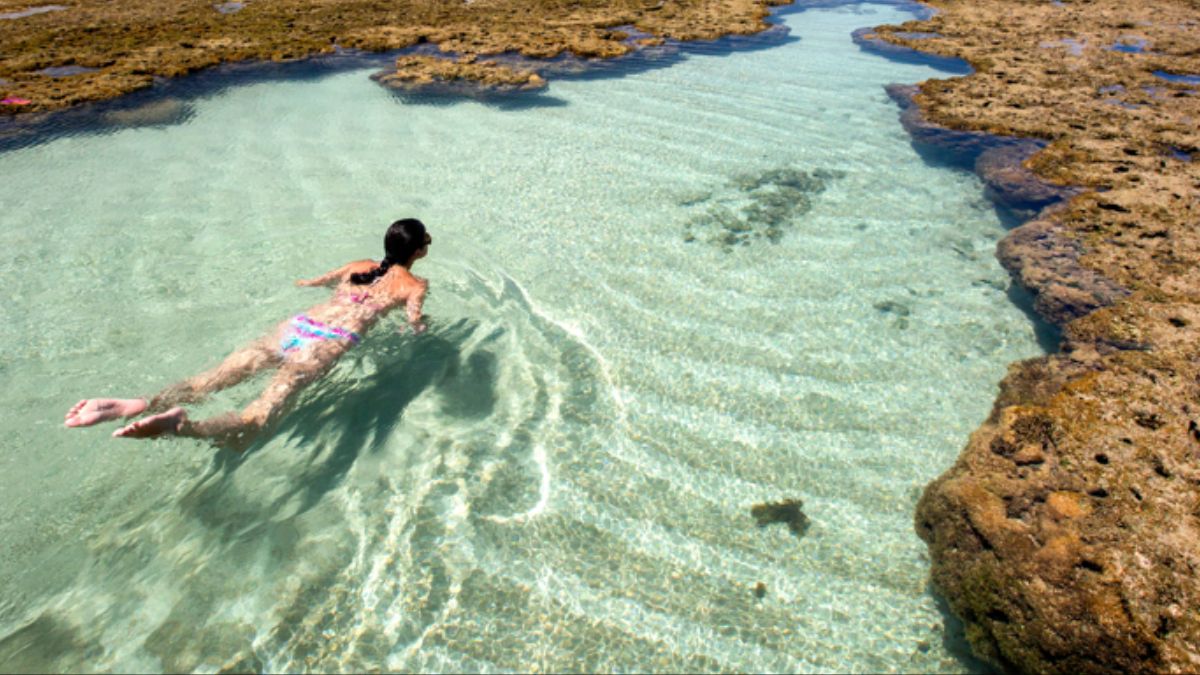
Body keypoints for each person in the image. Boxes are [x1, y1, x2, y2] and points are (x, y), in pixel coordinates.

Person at [64, 218, 432, 450]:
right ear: (418, 251)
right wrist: (419, 331)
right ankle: (184, 427)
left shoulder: (358, 265)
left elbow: (310, 282)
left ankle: (135, 404)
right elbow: (414, 325)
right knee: (255, 421)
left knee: (207, 381)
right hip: (325, 345)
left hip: (295, 328)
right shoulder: (414, 284)